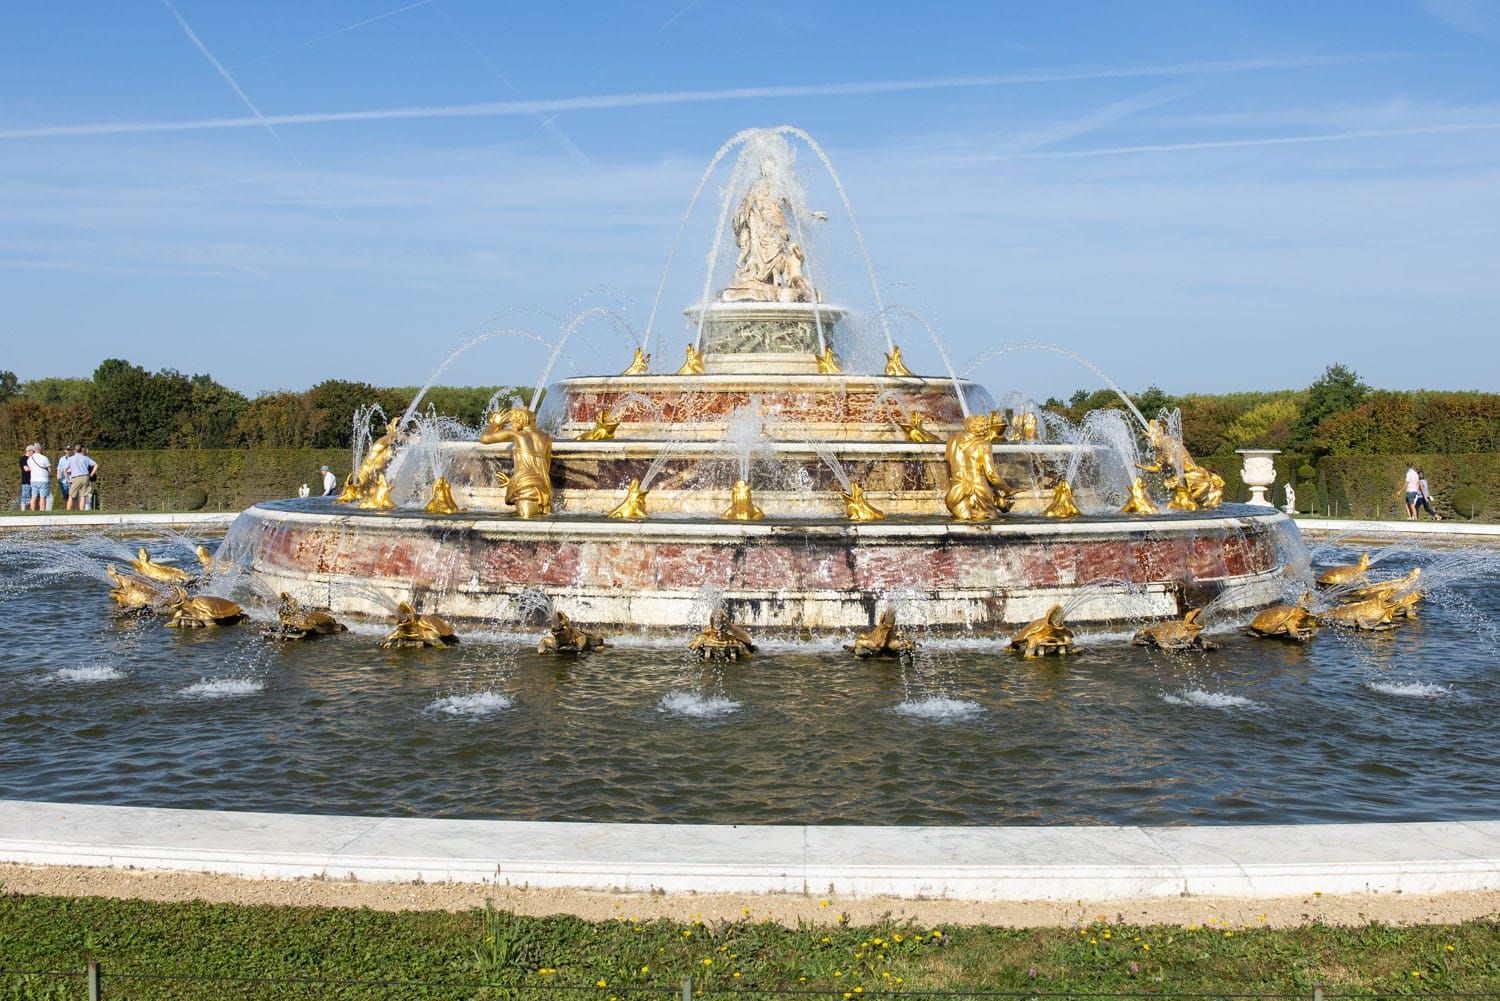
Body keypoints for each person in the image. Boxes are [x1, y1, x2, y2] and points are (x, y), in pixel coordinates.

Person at [65, 446, 97, 511]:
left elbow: (65, 469)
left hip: (76, 477)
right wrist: (91, 475)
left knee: (71, 496)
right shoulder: (86, 458)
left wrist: (67, 479)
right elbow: (96, 465)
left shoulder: (71, 458)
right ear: (81, 450)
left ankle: (68, 511)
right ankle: (81, 511)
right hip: (85, 477)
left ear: (74, 450)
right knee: (83, 496)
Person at [26, 444, 51, 511]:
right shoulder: (44, 458)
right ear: (40, 449)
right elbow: (49, 469)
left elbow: (30, 468)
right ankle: (42, 510)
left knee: (33, 497)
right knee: (42, 497)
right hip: (43, 479)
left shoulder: (30, 459)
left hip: (33, 479)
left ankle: (32, 511)